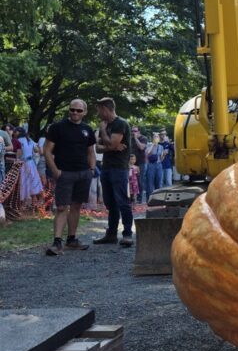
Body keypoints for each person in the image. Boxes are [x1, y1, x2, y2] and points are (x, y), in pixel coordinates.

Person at [43, 98, 97, 255]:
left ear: (84, 112)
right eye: (72, 109)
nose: (75, 112)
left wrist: (92, 169)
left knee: (76, 206)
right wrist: (55, 171)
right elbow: (47, 151)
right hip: (64, 173)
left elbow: (91, 152)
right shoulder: (57, 127)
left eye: (79, 110)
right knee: (61, 207)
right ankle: (57, 242)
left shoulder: (87, 129)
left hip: (83, 173)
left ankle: (72, 240)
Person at [93, 97, 134, 247]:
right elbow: (98, 148)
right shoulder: (106, 124)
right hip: (106, 168)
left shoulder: (120, 124)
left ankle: (127, 234)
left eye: (99, 110)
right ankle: (111, 234)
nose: (98, 113)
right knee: (110, 203)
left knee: (122, 201)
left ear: (105, 109)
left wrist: (104, 132)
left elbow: (110, 144)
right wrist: (110, 146)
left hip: (119, 168)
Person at [16, 129, 43, 208]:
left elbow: (19, 153)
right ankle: (35, 202)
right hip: (31, 163)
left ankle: (25, 203)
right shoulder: (29, 140)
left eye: (15, 131)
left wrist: (17, 159)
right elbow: (36, 150)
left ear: (19, 132)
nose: (14, 133)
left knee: (24, 181)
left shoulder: (19, 140)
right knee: (33, 180)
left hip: (23, 163)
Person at [143, 132, 164, 201]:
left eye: (157, 137)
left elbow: (161, 158)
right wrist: (153, 144)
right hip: (151, 165)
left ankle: (158, 199)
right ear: (152, 138)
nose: (156, 138)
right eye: (155, 136)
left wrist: (163, 155)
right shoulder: (149, 145)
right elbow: (147, 153)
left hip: (159, 165)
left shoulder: (161, 147)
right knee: (150, 183)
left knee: (159, 182)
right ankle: (149, 199)